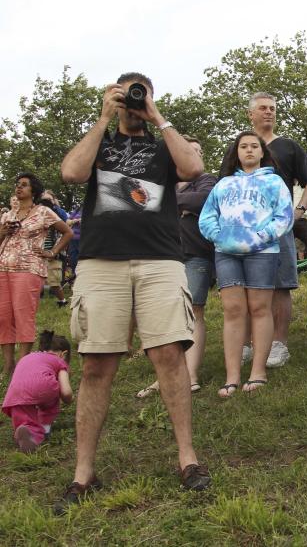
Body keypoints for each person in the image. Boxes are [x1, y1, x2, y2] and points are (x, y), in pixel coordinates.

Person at [58, 72, 210, 512]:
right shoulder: (99, 142)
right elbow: (71, 173)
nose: (133, 101)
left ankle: (188, 459)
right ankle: (83, 473)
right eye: (126, 94)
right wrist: (104, 118)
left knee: (168, 355)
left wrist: (156, 115)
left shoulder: (164, 143)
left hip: (160, 261)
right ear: (113, 97)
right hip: (101, 263)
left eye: (139, 94)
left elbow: (193, 168)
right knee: (96, 365)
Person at [200, 131, 292, 396]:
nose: (249, 150)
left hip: (262, 252)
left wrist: (262, 236)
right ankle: (232, 377)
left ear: (263, 152)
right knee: (233, 310)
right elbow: (207, 217)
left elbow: (284, 216)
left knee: (260, 308)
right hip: (226, 252)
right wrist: (220, 236)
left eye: (254, 146)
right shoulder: (223, 184)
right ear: (236, 152)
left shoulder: (274, 182)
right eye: (244, 146)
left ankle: (258, 372)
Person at [136, 136, 217, 398]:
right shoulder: (162, 182)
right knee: (164, 316)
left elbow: (203, 199)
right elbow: (143, 207)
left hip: (195, 254)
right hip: (162, 257)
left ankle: (190, 375)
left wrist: (171, 203)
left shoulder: (206, 180)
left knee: (193, 310)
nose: (194, 155)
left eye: (198, 151)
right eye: (187, 151)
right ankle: (164, 377)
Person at [246, 93, 307, 369]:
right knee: (249, 285)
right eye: (262, 108)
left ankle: (279, 345)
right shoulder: (243, 146)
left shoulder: (288, 147)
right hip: (247, 226)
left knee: (280, 285)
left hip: (280, 225)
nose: (269, 112)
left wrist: (298, 212)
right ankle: (248, 343)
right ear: (251, 114)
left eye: (272, 108)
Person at [0, 174, 73, 379]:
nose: (18, 188)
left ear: (34, 190)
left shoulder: (43, 212)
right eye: (17, 185)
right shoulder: (8, 214)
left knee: (23, 316)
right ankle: (8, 366)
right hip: (3, 267)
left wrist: (51, 252)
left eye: (24, 185)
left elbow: (67, 232)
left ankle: (23, 366)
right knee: (4, 318)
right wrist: (3, 231)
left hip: (29, 269)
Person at [2, 330, 72, 453]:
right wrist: (69, 399)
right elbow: (66, 392)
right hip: (43, 388)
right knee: (52, 390)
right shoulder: (59, 361)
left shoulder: (27, 357)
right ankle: (43, 429)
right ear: (63, 354)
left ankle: (25, 428)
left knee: (23, 413)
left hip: (16, 391)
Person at [39, 191, 69, 307]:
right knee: (37, 279)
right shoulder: (37, 220)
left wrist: (54, 252)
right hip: (40, 254)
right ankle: (35, 299)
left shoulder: (56, 219)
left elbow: (64, 235)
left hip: (53, 255)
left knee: (54, 282)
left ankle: (62, 301)